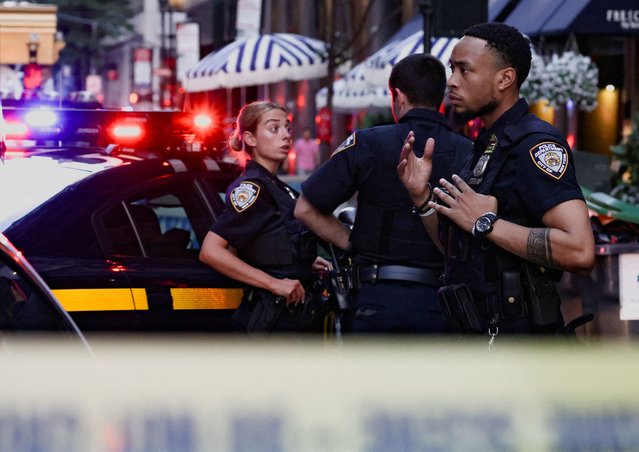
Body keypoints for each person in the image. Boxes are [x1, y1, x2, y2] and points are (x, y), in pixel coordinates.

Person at [397, 22, 595, 337]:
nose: (452, 82)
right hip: (482, 340)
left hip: (523, 349)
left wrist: (488, 223)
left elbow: (580, 251)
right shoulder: (488, 144)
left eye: (465, 71)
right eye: (452, 69)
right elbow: (457, 248)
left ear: (505, 79)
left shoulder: (535, 145)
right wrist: (421, 198)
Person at [294, 54, 472, 333]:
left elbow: (305, 209)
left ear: (398, 96)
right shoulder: (467, 151)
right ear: (442, 97)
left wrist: (352, 241)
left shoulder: (368, 142)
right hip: (442, 302)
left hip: (376, 298)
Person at [199, 101, 332, 334]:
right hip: (273, 319)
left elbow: (263, 239)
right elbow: (212, 250)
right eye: (274, 129)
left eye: (287, 128)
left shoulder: (277, 187)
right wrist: (274, 283)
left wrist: (301, 262)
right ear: (250, 139)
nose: (286, 136)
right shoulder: (253, 188)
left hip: (297, 314)